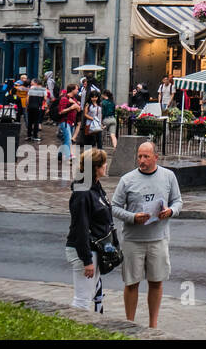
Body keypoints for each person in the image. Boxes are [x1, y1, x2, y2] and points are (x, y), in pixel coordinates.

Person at [110, 141, 182, 329]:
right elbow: (115, 207)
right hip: (134, 239)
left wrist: (170, 211)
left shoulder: (168, 176)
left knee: (156, 282)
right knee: (132, 282)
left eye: (146, 156)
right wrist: (133, 217)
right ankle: (130, 323)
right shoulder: (127, 179)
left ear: (155, 157)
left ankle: (153, 325)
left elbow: (178, 201)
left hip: (158, 238)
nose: (141, 160)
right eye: (139, 156)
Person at [66, 148, 115, 313]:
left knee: (90, 294)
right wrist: (86, 260)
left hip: (96, 248)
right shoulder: (83, 193)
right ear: (96, 168)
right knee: (82, 300)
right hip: (85, 250)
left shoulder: (95, 186)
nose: (106, 166)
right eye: (103, 163)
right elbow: (80, 227)